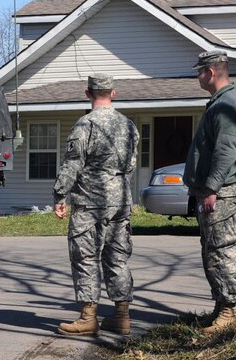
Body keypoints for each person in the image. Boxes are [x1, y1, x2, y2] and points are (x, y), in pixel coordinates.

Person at [53, 73, 140, 337]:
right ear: (113, 93)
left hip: (90, 200)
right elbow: (132, 164)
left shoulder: (85, 125)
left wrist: (59, 195)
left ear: (88, 93)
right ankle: (122, 316)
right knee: (117, 256)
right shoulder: (129, 126)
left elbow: (73, 164)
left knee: (86, 256)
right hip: (120, 198)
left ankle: (88, 317)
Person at [183, 50, 236, 334]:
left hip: (221, 193)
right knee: (211, 252)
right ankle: (220, 306)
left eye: (199, 71)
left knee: (221, 251)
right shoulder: (219, 104)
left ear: (210, 72)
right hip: (213, 191)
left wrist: (211, 187)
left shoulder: (226, 106)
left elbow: (226, 151)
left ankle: (229, 311)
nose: (197, 76)